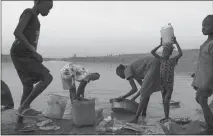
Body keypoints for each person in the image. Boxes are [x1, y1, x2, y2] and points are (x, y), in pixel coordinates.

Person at [10, 0, 53, 131]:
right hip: (21, 54)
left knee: (28, 86)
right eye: (48, 7)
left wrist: (33, 54)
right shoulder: (29, 13)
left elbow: (30, 40)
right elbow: (17, 32)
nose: (49, 11)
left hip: (23, 54)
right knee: (47, 77)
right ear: (39, 2)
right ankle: (24, 107)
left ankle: (19, 124)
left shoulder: (37, 21)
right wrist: (34, 52)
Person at [114, 56, 161, 123]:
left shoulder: (127, 70)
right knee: (147, 92)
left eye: (119, 75)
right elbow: (143, 88)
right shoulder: (134, 72)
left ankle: (135, 119)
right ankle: (143, 114)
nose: (121, 77)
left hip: (152, 64)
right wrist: (134, 98)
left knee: (145, 93)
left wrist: (122, 97)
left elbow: (134, 89)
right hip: (157, 63)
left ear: (121, 70)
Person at [151, 36, 183, 122]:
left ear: (170, 53)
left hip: (169, 85)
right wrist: (160, 44)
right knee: (165, 102)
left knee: (166, 100)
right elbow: (152, 52)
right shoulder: (161, 60)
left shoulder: (173, 61)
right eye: (164, 51)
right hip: (162, 85)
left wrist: (176, 42)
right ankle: (166, 117)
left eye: (166, 51)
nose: (164, 53)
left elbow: (180, 54)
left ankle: (167, 117)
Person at [191, 15, 213, 133]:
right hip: (202, 77)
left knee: (202, 99)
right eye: (202, 25)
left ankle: (210, 128)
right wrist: (196, 76)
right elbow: (203, 62)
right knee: (198, 98)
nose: (203, 28)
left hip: (208, 78)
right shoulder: (206, 42)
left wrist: (209, 82)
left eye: (206, 25)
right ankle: (211, 122)